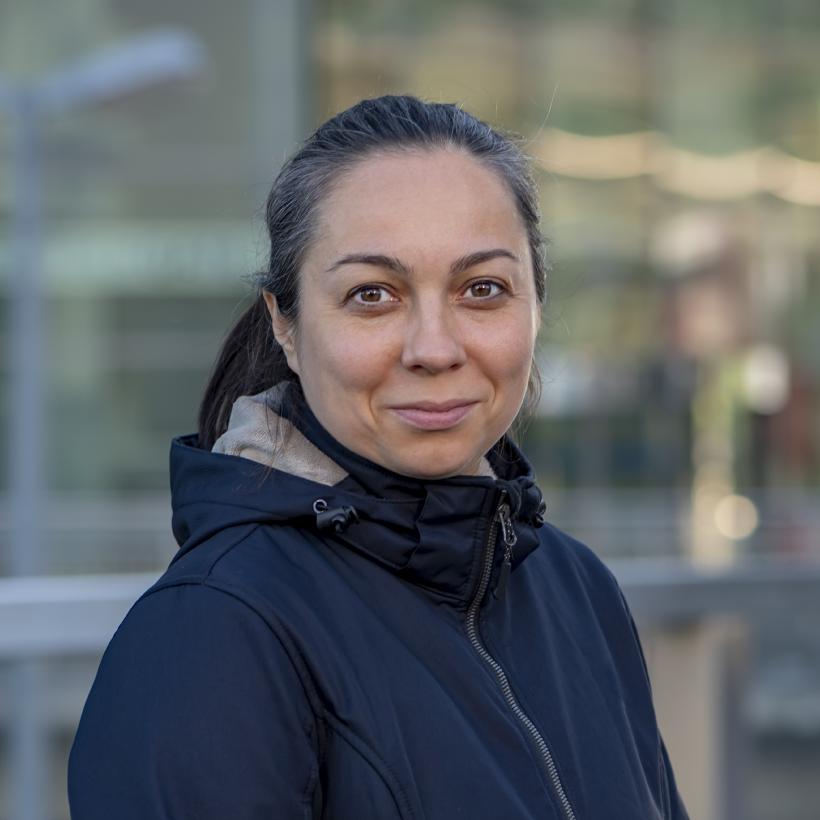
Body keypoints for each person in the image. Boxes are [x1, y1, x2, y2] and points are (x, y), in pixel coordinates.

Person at [68, 94, 688, 819]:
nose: (434, 348)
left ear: (536, 303)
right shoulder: (211, 635)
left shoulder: (576, 588)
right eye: (373, 295)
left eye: (482, 289)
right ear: (287, 327)